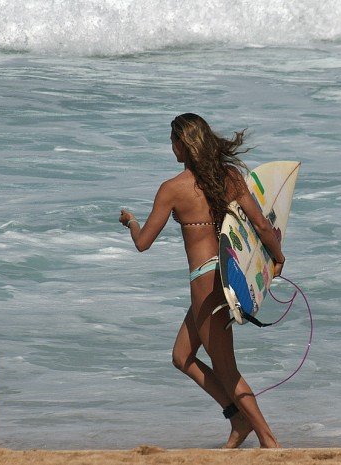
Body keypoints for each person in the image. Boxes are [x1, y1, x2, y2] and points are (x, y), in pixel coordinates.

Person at [118, 113, 285, 448]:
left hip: (204, 283)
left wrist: (131, 222)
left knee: (226, 368)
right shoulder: (231, 178)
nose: (171, 147)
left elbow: (143, 243)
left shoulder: (171, 189)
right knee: (182, 356)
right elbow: (263, 226)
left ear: (182, 143)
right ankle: (237, 419)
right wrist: (277, 258)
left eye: (172, 140)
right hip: (227, 275)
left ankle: (269, 441)